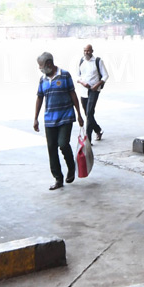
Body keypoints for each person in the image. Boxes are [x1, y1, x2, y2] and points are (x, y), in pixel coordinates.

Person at [33, 51, 84, 190]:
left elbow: (73, 94)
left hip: (66, 117)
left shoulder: (65, 75)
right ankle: (58, 178)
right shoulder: (43, 80)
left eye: (41, 65)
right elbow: (39, 97)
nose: (40, 68)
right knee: (51, 148)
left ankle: (71, 167)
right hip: (49, 119)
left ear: (49, 63)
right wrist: (35, 118)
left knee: (63, 144)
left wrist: (79, 114)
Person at [76, 42, 108, 141]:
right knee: (88, 114)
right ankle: (98, 130)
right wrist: (82, 82)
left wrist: (97, 85)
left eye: (88, 51)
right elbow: (77, 76)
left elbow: (105, 75)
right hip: (83, 91)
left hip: (94, 90)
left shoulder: (98, 61)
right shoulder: (81, 61)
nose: (86, 52)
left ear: (92, 51)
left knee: (89, 113)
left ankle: (88, 139)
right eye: (85, 51)